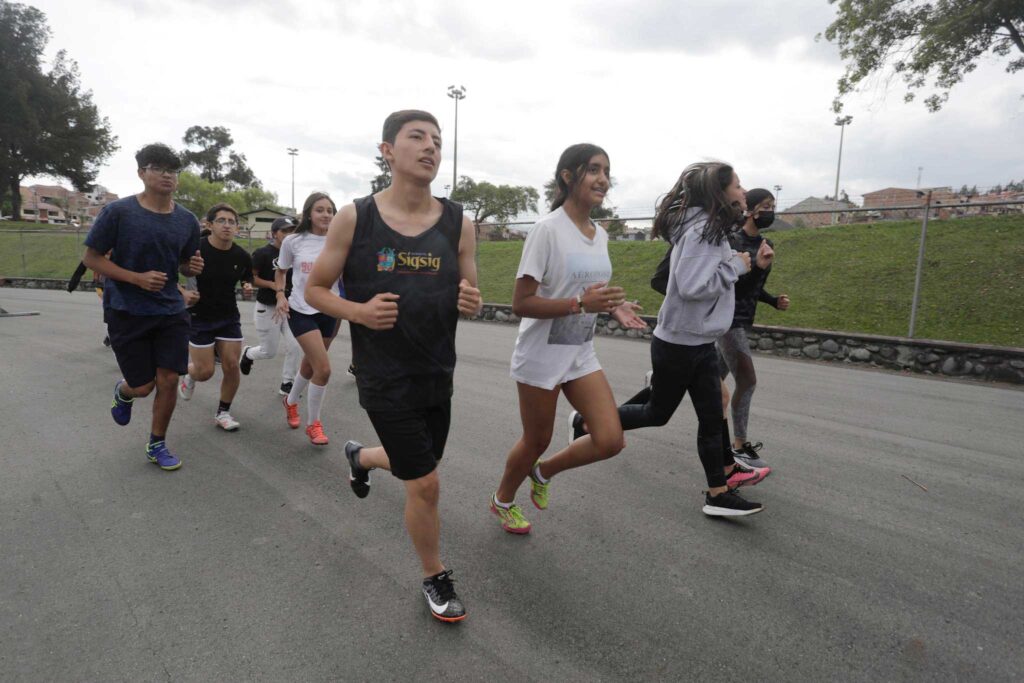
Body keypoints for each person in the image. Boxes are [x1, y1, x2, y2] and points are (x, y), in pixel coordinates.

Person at [305, 109, 481, 623]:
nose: (430, 147)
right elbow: (314, 289)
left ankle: (361, 458)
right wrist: (358, 311)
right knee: (424, 483)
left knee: (419, 463)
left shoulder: (459, 221)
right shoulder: (356, 216)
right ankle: (435, 575)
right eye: (417, 137)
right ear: (387, 150)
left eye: (437, 140)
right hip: (382, 375)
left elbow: (470, 293)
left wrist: (470, 300)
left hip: (436, 370)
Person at [581, 162, 771, 517]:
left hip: (696, 340)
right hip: (680, 344)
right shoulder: (701, 232)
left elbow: (707, 281)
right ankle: (588, 421)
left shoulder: (710, 229)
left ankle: (717, 494)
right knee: (658, 412)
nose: (743, 192)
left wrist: (744, 266)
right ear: (719, 192)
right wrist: (736, 266)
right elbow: (690, 286)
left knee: (712, 416)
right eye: (738, 185)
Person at [491, 143, 647, 536]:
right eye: (593, 170)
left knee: (610, 440)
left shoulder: (601, 235)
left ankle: (542, 474)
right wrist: (580, 303)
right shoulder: (547, 231)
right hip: (541, 356)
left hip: (579, 352)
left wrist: (614, 306)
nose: (603, 179)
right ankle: (503, 500)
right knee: (536, 439)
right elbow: (521, 303)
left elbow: (590, 291)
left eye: (607, 171)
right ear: (567, 176)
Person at [81, 143, 203, 471]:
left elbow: (185, 265)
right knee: (143, 386)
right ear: (141, 173)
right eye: (158, 167)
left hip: (170, 311)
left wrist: (192, 269)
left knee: (167, 380)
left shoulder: (187, 221)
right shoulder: (118, 212)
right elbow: (91, 258)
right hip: (126, 309)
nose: (167, 174)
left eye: (173, 169)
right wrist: (135, 278)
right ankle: (124, 391)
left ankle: (157, 443)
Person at [717, 189, 790, 469]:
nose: (770, 211)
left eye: (773, 206)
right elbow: (731, 287)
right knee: (747, 381)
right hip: (727, 320)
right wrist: (757, 267)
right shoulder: (731, 241)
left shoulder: (765, 242)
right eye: (765, 206)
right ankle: (739, 447)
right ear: (749, 210)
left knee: (707, 379)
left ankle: (660, 381)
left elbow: (754, 288)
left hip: (743, 320)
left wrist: (773, 301)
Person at [177, 203, 254, 431]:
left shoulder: (241, 255)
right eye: (221, 221)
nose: (227, 226)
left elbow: (246, 278)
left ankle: (223, 412)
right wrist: (183, 292)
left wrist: (247, 286)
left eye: (232, 222)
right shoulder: (195, 249)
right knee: (205, 372)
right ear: (209, 225)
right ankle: (190, 375)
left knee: (232, 365)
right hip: (199, 316)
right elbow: (170, 272)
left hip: (229, 316)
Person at [275, 192, 343, 445]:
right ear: (309, 214)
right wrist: (281, 295)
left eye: (330, 210)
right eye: (320, 210)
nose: (326, 214)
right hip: (301, 310)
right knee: (323, 369)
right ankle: (313, 423)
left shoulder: (340, 242)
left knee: (310, 365)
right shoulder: (293, 241)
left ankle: (290, 401)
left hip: (330, 311)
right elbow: (280, 271)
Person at [240, 216, 302, 396]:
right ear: (274, 233)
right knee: (269, 351)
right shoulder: (262, 253)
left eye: (292, 230)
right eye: (285, 230)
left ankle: (287, 383)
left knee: (295, 345)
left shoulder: (295, 252)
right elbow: (251, 278)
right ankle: (249, 353)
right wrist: (272, 285)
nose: (290, 234)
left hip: (289, 307)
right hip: (267, 307)